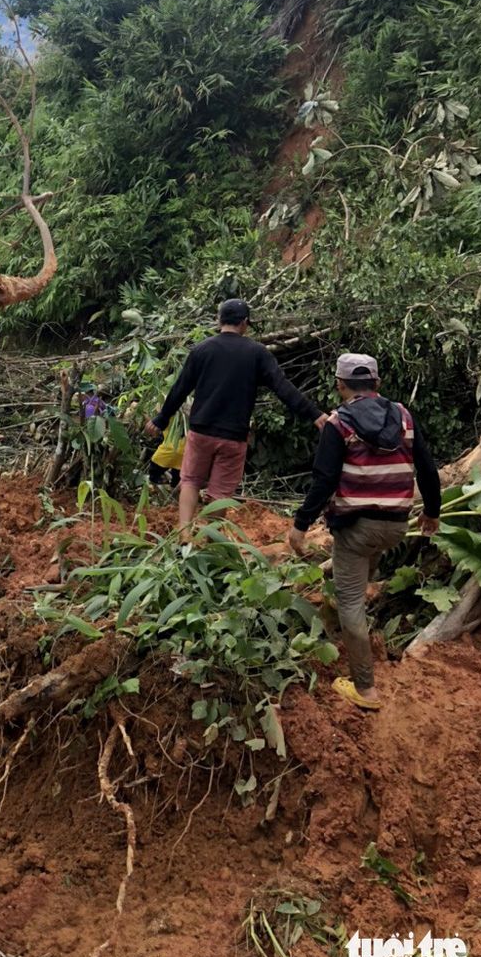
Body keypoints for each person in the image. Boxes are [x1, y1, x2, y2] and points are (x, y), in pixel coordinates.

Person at [287, 353, 441, 711]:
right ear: (377, 383)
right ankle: (355, 636)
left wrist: (300, 524)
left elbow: (324, 479)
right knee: (358, 583)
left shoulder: (339, 423)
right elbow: (427, 468)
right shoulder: (403, 416)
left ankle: (365, 689)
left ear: (340, 385)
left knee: (351, 602)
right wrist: (431, 513)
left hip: (357, 528)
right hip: (395, 527)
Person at [145, 299, 327, 530]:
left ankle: (184, 534)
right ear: (244, 323)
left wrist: (161, 419)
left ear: (219, 321)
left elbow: (180, 389)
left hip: (201, 431)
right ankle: (211, 540)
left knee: (190, 480)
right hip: (233, 436)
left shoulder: (201, 350)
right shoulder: (257, 353)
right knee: (220, 491)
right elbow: (283, 388)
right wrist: (314, 414)